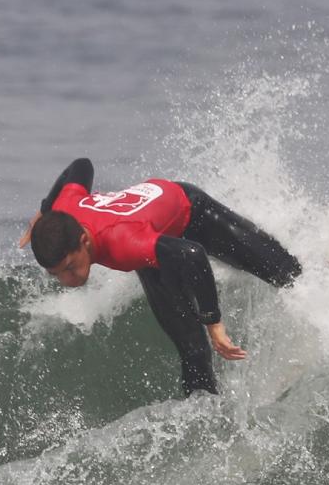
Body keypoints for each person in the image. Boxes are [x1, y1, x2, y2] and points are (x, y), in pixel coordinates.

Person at [20, 158, 302, 396]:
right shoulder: (64, 210)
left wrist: (213, 322)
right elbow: (80, 166)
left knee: (288, 274)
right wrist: (44, 213)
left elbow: (193, 255)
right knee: (192, 351)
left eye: (70, 267)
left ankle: (328, 284)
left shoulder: (123, 242)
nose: (67, 280)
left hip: (192, 214)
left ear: (84, 241)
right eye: (56, 274)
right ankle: (205, 419)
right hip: (152, 247)